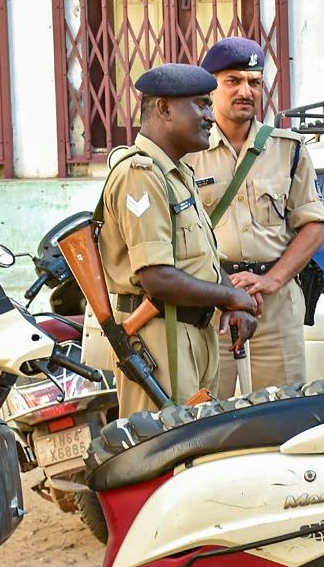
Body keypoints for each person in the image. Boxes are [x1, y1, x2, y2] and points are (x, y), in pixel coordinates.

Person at [98, 63, 259, 416]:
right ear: (164, 109)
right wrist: (232, 295)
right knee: (166, 451)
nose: (210, 117)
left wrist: (231, 301)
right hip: (159, 339)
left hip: (193, 334)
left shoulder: (177, 173)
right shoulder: (140, 174)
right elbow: (158, 277)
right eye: (201, 104)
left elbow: (199, 261)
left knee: (196, 451)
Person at [185, 37, 324, 398]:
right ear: (210, 86)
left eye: (254, 82)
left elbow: (312, 228)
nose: (245, 91)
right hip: (209, 306)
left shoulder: (287, 149)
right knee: (203, 420)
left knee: (282, 419)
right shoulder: (186, 153)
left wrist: (271, 281)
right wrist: (219, 286)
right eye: (233, 81)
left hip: (275, 310)